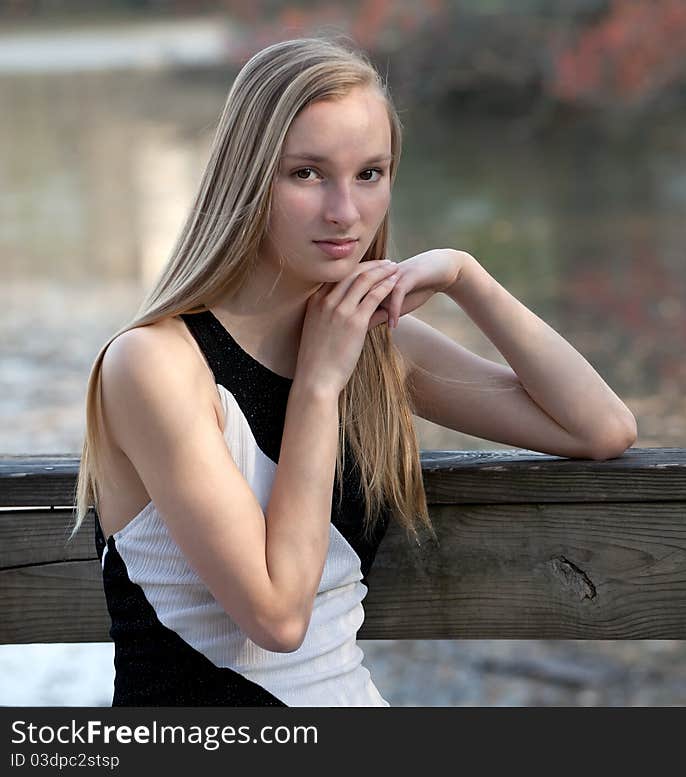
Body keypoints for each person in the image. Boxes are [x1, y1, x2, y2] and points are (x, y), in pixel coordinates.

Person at [70, 36, 637, 707]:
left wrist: (466, 276)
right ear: (246, 179)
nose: (346, 212)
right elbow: (278, 617)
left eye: (370, 173)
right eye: (307, 173)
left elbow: (601, 428)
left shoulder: (369, 342)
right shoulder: (156, 363)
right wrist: (317, 384)